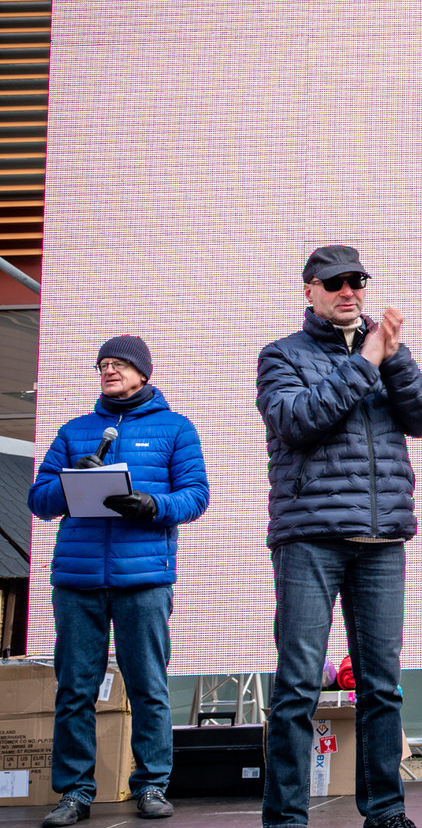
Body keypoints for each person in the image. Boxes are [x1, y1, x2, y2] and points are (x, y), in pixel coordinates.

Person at [257, 246, 422, 828]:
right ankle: (286, 818)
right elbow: (297, 420)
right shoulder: (281, 355)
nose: (349, 292)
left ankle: (385, 809)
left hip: (382, 539)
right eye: (335, 282)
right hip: (310, 537)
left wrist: (393, 358)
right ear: (309, 291)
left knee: (382, 687)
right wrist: (367, 359)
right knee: (298, 685)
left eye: (357, 281)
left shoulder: (386, 353)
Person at [28, 336, 209, 827]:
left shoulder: (176, 428)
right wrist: (70, 480)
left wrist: (152, 505)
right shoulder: (75, 431)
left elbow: (195, 496)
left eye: (120, 364)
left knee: (148, 685)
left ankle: (151, 786)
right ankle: (74, 792)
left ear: (143, 373)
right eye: (103, 365)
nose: (109, 371)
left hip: (145, 579)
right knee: (75, 689)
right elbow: (38, 500)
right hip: (77, 580)